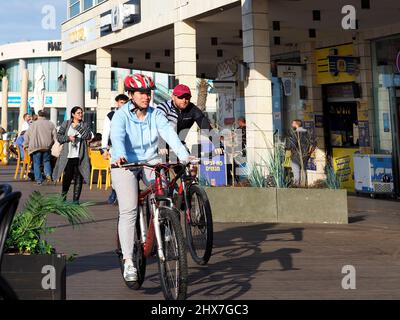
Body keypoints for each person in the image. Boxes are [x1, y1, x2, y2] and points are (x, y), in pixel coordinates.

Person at [110, 74, 190, 282]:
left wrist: (183, 155)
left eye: (148, 93)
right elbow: (117, 136)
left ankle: (165, 225)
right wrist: (119, 153)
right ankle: (128, 260)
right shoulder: (121, 115)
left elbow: (169, 134)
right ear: (131, 95)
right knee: (129, 210)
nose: (146, 97)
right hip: (124, 163)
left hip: (150, 161)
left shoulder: (156, 115)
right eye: (141, 93)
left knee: (165, 193)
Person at [156, 84, 223, 158]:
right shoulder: (163, 107)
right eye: (180, 97)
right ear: (173, 97)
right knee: (160, 165)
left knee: (187, 163)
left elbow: (206, 127)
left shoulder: (193, 109)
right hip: (159, 143)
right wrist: (161, 145)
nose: (184, 101)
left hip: (179, 144)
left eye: (187, 98)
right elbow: (157, 127)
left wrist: (217, 145)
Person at [52, 106, 93, 204]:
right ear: (73, 114)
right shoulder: (66, 123)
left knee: (79, 177)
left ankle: (76, 200)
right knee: (67, 177)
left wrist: (78, 127)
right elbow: (59, 137)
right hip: (68, 155)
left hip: (80, 156)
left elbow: (88, 136)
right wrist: (68, 138)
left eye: (81, 113)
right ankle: (63, 198)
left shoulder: (84, 124)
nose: (81, 114)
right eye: (78, 113)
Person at [101, 94, 129, 205]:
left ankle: (124, 195)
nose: (123, 104)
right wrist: (104, 149)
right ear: (117, 103)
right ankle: (114, 191)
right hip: (114, 149)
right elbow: (105, 133)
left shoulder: (131, 114)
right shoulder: (111, 115)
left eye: (125, 102)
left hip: (128, 149)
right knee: (115, 171)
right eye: (121, 102)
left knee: (127, 172)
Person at [23, 110, 57, 185]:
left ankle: (39, 180)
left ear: (38, 115)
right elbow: (55, 137)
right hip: (47, 147)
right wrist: (53, 144)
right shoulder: (51, 124)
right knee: (46, 161)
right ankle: (48, 176)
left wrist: (25, 145)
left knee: (36, 163)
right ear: (45, 115)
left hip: (35, 147)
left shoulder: (33, 124)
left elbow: (26, 136)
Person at [285, 119, 317, 187]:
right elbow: (314, 144)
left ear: (296, 124)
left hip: (296, 156)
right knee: (303, 171)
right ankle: (304, 186)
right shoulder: (307, 133)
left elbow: (292, 145)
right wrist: (309, 152)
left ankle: (297, 187)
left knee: (296, 172)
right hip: (305, 156)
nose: (292, 125)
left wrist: (289, 151)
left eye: (293, 123)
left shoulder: (295, 133)